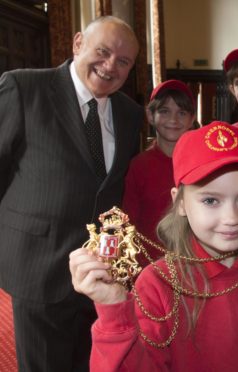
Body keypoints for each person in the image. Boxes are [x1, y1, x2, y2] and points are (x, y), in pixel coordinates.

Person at [69, 121, 238, 371]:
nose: (232, 218)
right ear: (180, 203)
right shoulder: (157, 284)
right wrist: (113, 309)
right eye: (210, 200)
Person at [0, 16, 142, 372]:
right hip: (39, 266)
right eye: (103, 51)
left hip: (100, 273)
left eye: (123, 61)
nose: (111, 65)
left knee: (90, 363)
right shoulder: (23, 88)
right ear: (78, 43)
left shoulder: (130, 114)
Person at [122, 79, 197, 266]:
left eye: (182, 113)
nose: (173, 120)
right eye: (164, 111)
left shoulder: (201, 163)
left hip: (196, 264)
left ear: (192, 118)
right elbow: (129, 224)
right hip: (150, 266)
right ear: (150, 114)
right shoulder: (138, 166)